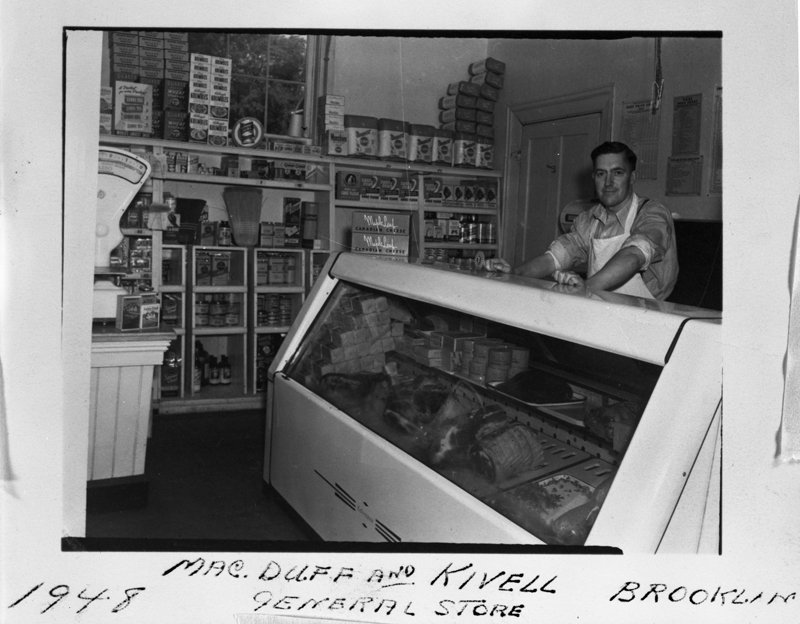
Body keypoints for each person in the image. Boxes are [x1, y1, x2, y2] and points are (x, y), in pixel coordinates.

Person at [487, 141, 679, 300]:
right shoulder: (589, 219)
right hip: (599, 312)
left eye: (617, 173)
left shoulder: (652, 212)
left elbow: (634, 255)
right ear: (594, 178)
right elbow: (555, 258)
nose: (608, 182)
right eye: (601, 174)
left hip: (647, 319)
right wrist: (514, 275)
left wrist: (585, 288)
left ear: (632, 177)